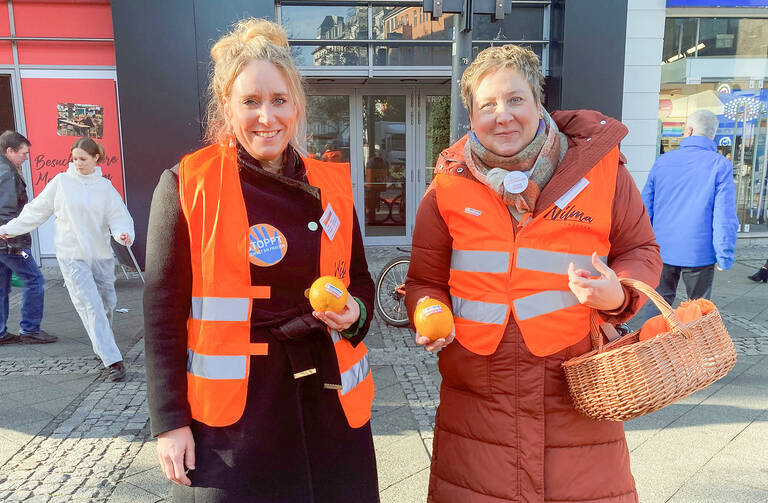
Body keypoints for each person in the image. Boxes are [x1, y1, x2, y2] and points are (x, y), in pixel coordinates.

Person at [404, 44, 662, 502]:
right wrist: (428, 309)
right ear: (471, 116)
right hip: (478, 398)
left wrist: (618, 294)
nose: (502, 115)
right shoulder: (447, 185)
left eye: (515, 99)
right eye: (487, 105)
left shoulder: (602, 171)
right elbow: (426, 280)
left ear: (539, 103)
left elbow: (640, 248)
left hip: (577, 388)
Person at [143, 18, 378, 502]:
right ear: (227, 108)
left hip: (329, 406)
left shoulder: (332, 183)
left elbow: (358, 278)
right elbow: (162, 314)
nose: (266, 117)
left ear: (298, 105)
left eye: (278, 100)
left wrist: (355, 313)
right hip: (236, 422)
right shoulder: (187, 184)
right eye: (250, 102)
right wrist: (170, 423)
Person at [0, 137, 134, 381]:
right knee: (90, 305)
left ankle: (101, 345)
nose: (78, 163)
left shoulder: (104, 188)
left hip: (101, 256)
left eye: (83, 159)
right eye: (74, 159)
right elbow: (36, 210)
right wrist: (9, 229)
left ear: (96, 158)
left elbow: (119, 216)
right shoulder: (61, 183)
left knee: (106, 304)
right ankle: (113, 360)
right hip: (71, 256)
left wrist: (123, 233)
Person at [639, 109, 738, 319]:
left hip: (661, 248)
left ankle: (651, 345)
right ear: (713, 135)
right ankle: (693, 349)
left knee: (657, 305)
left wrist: (640, 247)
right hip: (699, 252)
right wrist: (724, 254)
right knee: (698, 309)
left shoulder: (663, 162)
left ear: (689, 130)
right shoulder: (720, 165)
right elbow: (724, 215)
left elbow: (645, 208)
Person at [0, 130, 56, 346]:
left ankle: (1, 333)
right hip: (10, 243)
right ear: (10, 151)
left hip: (3, 242)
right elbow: (6, 212)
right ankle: (30, 329)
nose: (26, 157)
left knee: (2, 285)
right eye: (23, 153)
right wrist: (13, 242)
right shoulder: (7, 174)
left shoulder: (5, 170)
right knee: (35, 280)